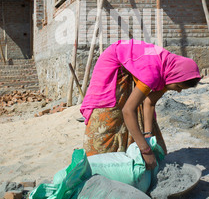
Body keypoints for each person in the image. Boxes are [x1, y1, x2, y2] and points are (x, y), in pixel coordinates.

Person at [81, 39, 201, 170]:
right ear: (175, 78)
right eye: (178, 86)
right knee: (109, 117)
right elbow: (128, 110)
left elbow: (149, 103)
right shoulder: (154, 73)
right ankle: (100, 167)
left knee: (140, 117)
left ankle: (131, 159)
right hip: (114, 64)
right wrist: (145, 150)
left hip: (134, 66)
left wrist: (148, 136)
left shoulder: (168, 72)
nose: (178, 90)